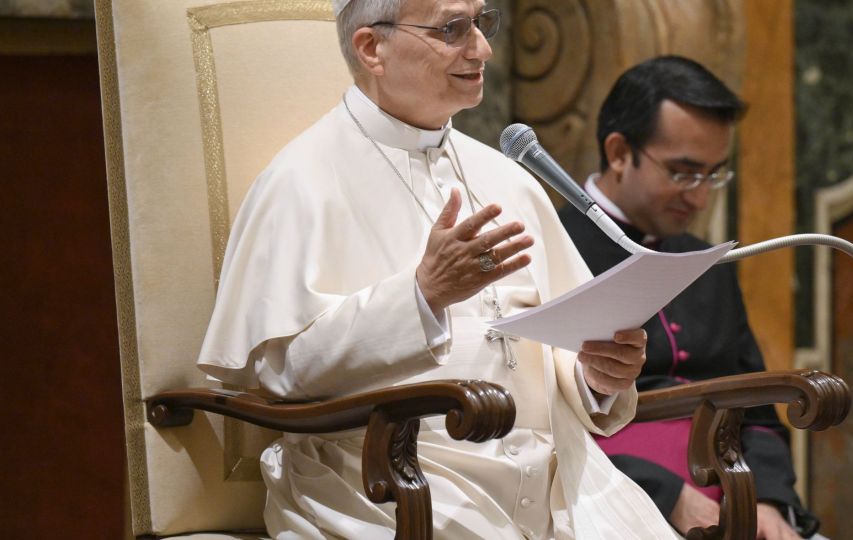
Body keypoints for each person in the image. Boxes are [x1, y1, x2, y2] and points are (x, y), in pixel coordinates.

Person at [195, 1, 680, 538]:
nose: (482, 48)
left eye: (482, 22)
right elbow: (282, 371)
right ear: (371, 48)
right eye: (452, 29)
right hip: (389, 488)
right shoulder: (299, 181)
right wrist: (422, 295)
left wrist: (597, 377)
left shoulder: (508, 178)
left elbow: (563, 350)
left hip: (558, 482)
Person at [558, 55, 821, 539]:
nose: (700, 198)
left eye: (713, 175)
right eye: (683, 173)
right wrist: (665, 495)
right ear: (619, 153)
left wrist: (767, 499)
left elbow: (756, 408)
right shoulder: (549, 245)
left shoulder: (709, 265)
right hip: (610, 502)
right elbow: (542, 420)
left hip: (740, 500)